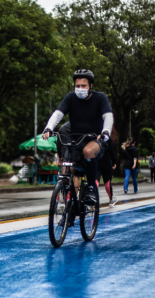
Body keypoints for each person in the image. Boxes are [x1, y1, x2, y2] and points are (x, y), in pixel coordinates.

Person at [42, 69, 114, 205]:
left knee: (88, 151)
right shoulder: (70, 98)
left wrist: (105, 131)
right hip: (76, 141)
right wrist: (49, 128)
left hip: (96, 140)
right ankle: (69, 204)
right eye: (77, 86)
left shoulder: (100, 98)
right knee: (69, 169)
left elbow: (108, 116)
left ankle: (91, 189)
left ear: (91, 86)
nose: (80, 89)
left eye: (83, 86)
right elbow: (58, 113)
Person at [98, 126, 119, 206]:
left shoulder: (94, 138)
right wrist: (114, 162)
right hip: (106, 163)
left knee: (95, 182)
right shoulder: (107, 139)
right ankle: (111, 199)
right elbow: (111, 151)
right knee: (107, 182)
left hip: (96, 162)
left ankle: (94, 199)